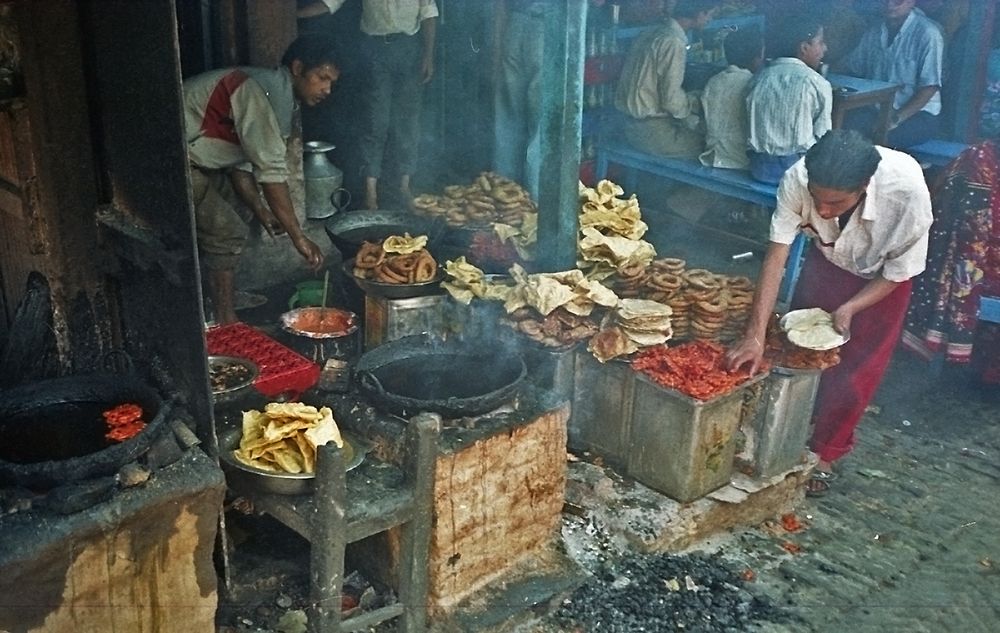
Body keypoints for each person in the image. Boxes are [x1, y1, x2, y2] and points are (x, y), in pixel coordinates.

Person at [725, 130, 933, 496]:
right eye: (817, 200)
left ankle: (825, 453)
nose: (822, 210)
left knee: (856, 373)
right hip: (828, 262)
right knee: (799, 354)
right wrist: (754, 336)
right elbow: (777, 257)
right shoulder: (798, 178)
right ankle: (785, 433)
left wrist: (852, 307)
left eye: (835, 204)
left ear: (864, 186)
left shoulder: (908, 193)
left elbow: (900, 271)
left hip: (882, 282)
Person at [183, 36, 335, 325]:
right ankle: (226, 319)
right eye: (322, 77)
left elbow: (242, 166)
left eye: (331, 82)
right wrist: (299, 237)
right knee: (225, 230)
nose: (327, 88)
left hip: (201, 161)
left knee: (240, 211)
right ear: (298, 67)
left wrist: (261, 211)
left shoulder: (276, 92)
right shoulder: (261, 91)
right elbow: (272, 175)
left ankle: (221, 296)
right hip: (175, 160)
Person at [299, 0, 439, 210]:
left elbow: (428, 13)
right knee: (374, 121)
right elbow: (332, 2)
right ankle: (370, 192)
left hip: (410, 48)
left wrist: (428, 55)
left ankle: (404, 186)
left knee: (408, 121)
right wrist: (295, 14)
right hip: (375, 50)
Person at [613, 0, 720, 159]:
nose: (710, 20)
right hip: (650, 132)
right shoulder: (673, 41)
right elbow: (671, 100)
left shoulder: (651, 32)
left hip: (628, 125)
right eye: (710, 14)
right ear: (699, 13)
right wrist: (692, 105)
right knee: (710, 146)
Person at [838, 0, 944, 149]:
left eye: (897, 1)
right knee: (841, 131)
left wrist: (894, 119)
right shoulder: (874, 31)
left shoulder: (928, 33)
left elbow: (929, 88)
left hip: (916, 115)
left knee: (878, 142)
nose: (890, 5)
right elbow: (852, 66)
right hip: (878, 110)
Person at [745, 14, 832, 184]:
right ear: (804, 47)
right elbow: (824, 137)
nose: (825, 49)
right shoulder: (816, 83)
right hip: (796, 171)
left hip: (759, 168)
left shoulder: (759, 78)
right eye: (820, 42)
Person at [493, 0, 547, 201]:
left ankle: (503, 198)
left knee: (509, 121)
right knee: (542, 126)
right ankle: (535, 203)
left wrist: (497, 53)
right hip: (547, 27)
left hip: (514, 26)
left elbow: (499, 7)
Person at [698, 26, 764, 170]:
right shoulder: (753, 85)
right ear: (755, 58)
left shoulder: (713, 81)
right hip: (740, 160)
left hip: (711, 155)